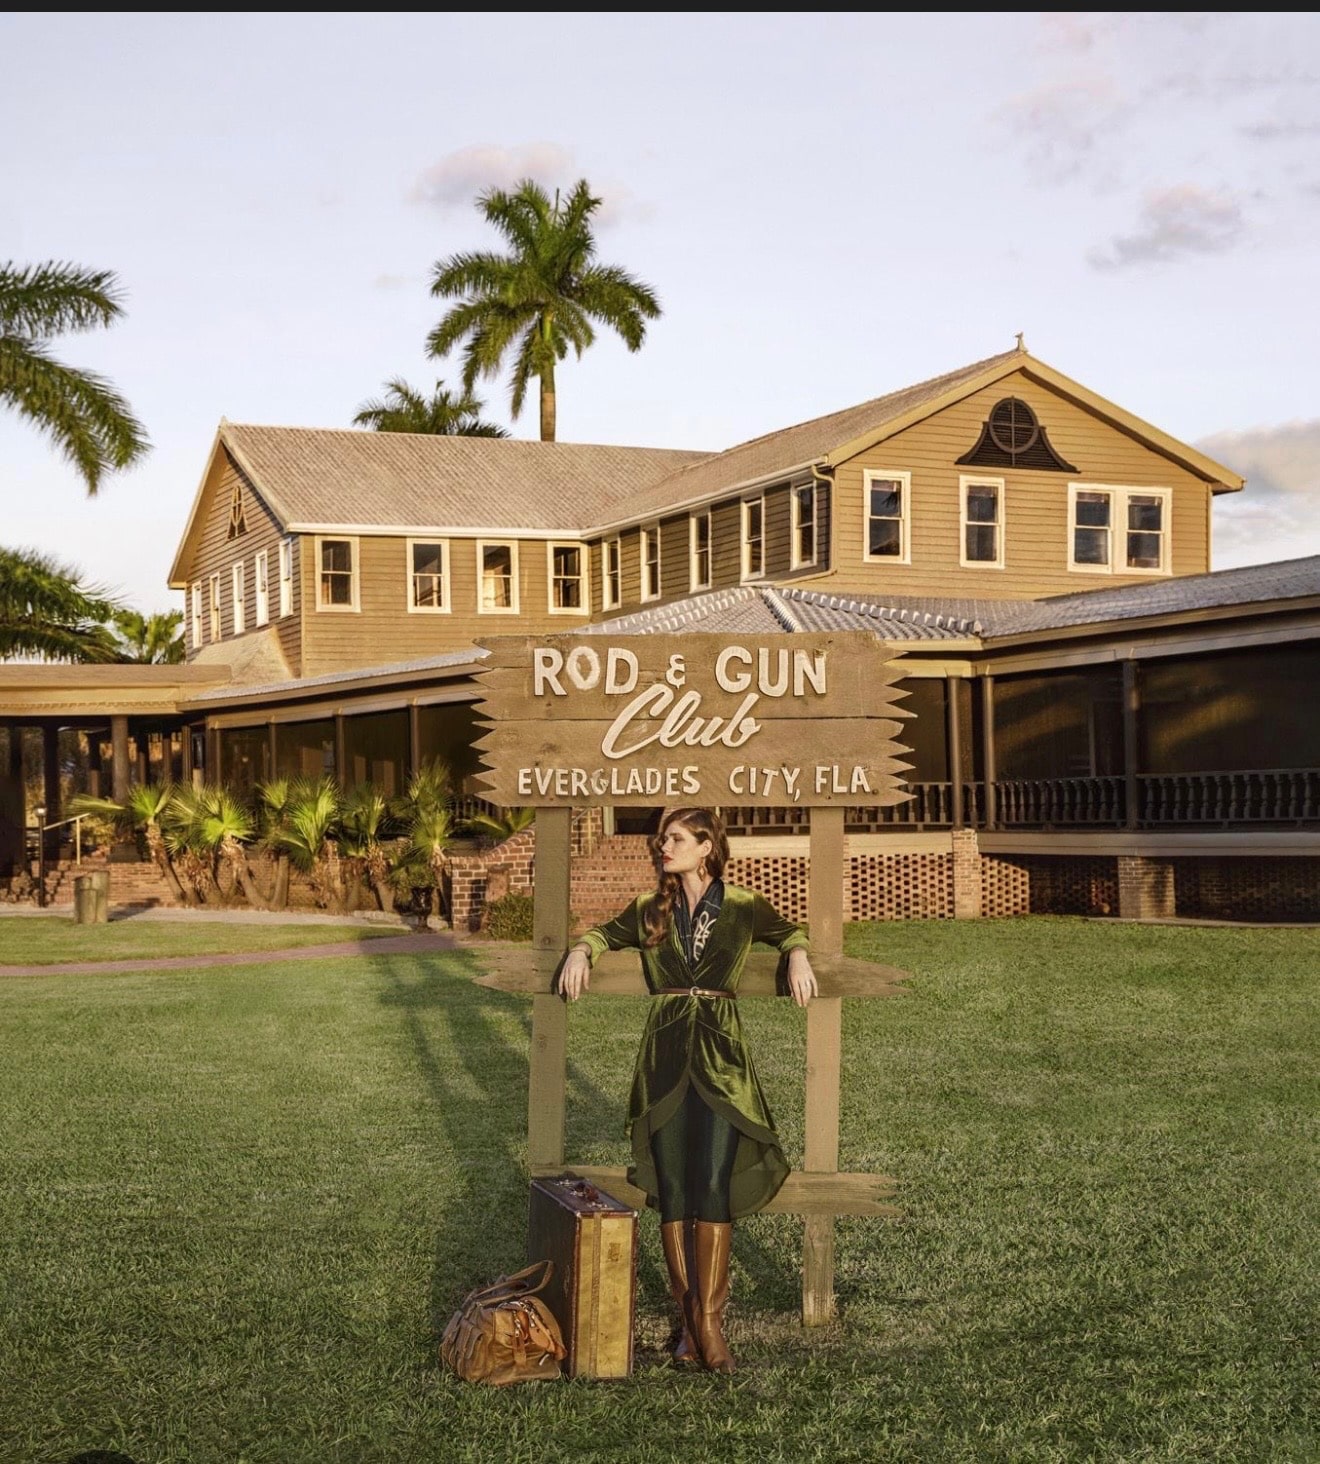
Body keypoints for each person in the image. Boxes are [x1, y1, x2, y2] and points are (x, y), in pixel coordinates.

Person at [559, 806, 817, 1375]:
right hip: (665, 1063)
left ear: (706, 847)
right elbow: (601, 934)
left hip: (723, 1065)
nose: (663, 847)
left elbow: (790, 932)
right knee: (674, 1189)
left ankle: (710, 1323)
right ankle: (688, 1319)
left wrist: (797, 955)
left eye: (675, 839)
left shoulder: (743, 906)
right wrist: (581, 951)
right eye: (662, 840)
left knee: (713, 1184)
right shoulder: (648, 909)